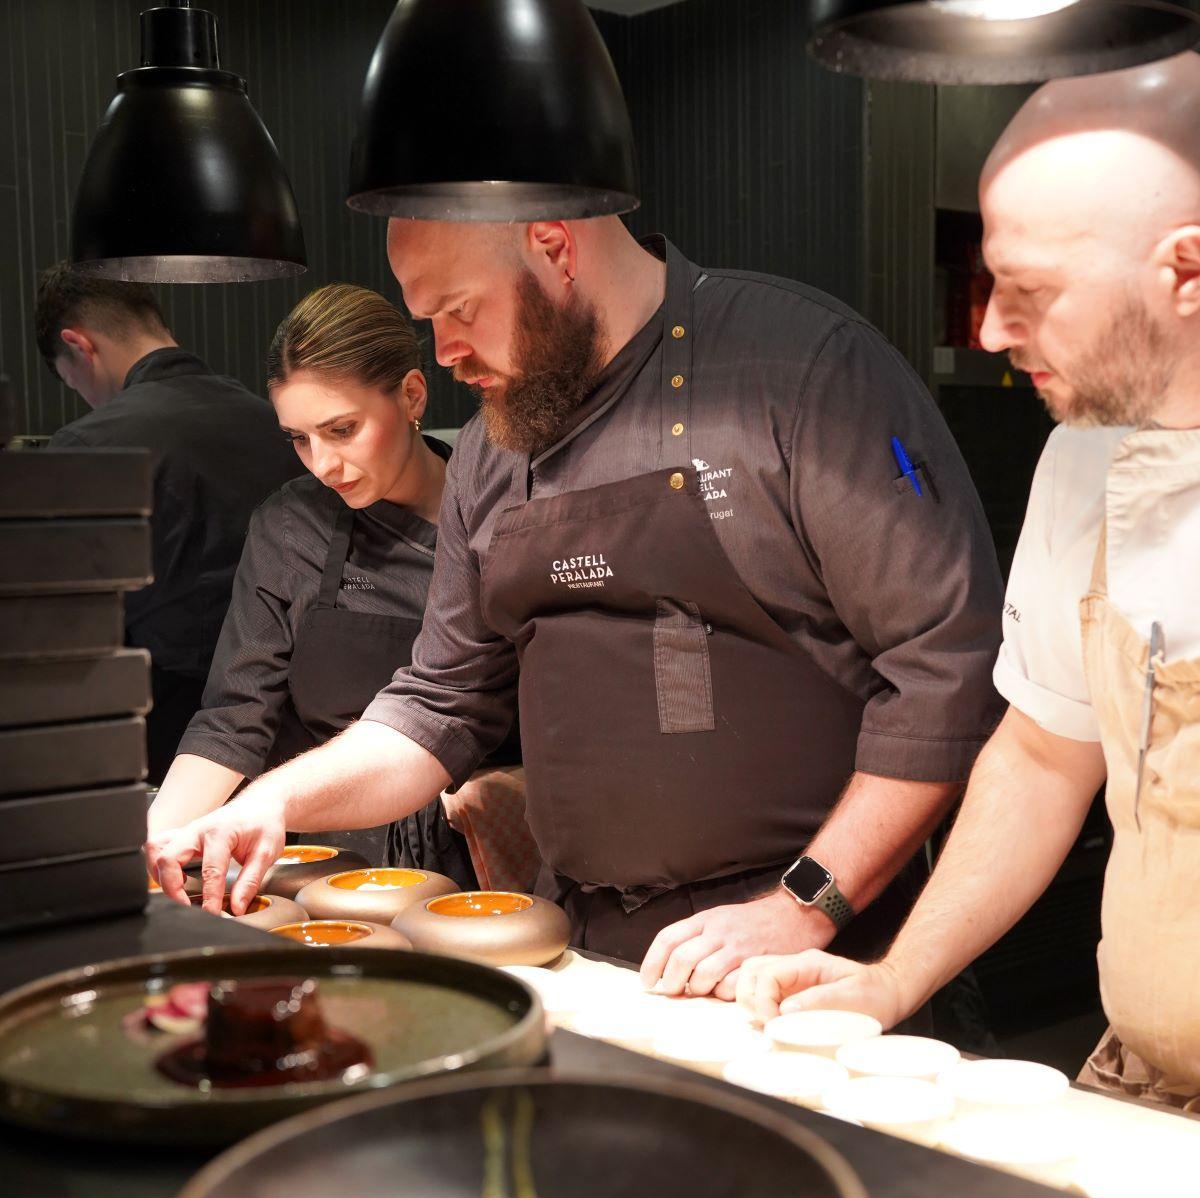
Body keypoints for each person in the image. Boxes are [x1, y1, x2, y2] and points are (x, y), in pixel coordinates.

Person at [149, 217, 1004, 1002]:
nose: (443, 352)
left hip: (803, 948)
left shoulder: (804, 370)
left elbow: (945, 668)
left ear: (554, 248)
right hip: (578, 943)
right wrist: (273, 800)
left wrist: (805, 903)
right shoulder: (494, 444)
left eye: (460, 309)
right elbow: (436, 701)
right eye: (428, 320)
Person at [735, 52, 1200, 1109]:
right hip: (1148, 1090)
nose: (989, 329)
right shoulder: (1086, 453)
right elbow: (1042, 755)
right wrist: (891, 981)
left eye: (1030, 292)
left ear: (1189, 270)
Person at [149, 284, 486, 880]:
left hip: (482, 856)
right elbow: (233, 717)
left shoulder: (496, 511)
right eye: (298, 439)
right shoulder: (291, 526)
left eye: (342, 430)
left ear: (412, 394)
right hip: (329, 860)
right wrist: (155, 849)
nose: (321, 464)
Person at [35, 265, 301, 782]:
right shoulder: (282, 425)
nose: (86, 400)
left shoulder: (90, 446)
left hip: (166, 743)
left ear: (79, 345)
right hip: (293, 728)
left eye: (74, 384)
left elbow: (68, 628)